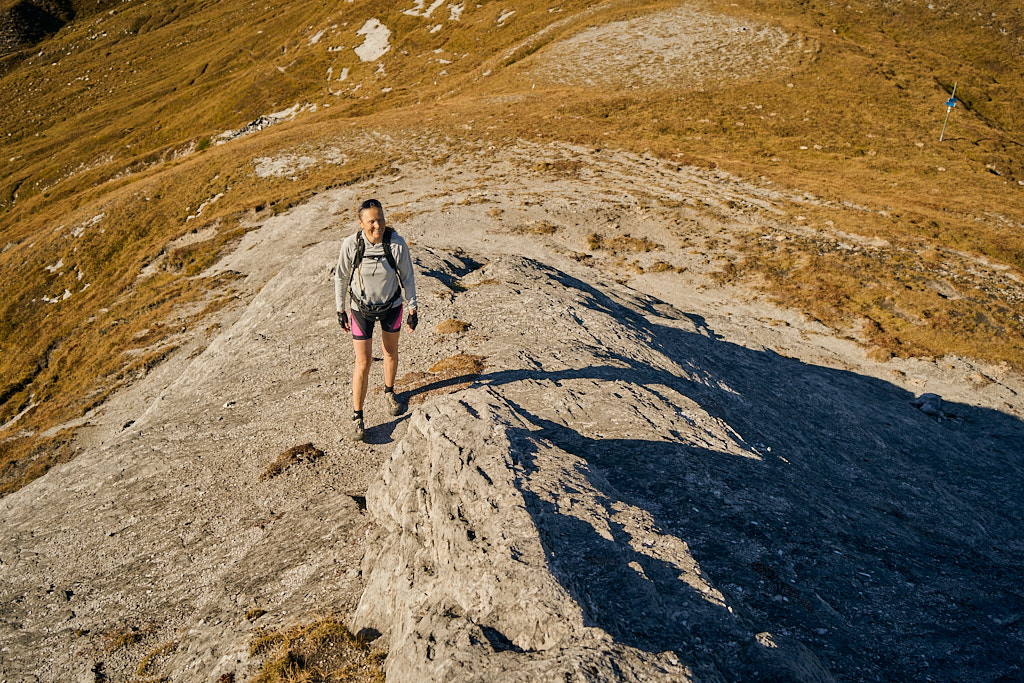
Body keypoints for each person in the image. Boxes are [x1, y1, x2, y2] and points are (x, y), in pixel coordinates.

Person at [335, 198, 418, 442]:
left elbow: (408, 276)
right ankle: (357, 417)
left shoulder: (396, 244)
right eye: (371, 221)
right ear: (361, 223)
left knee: (390, 351)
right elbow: (341, 277)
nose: (377, 225)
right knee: (363, 362)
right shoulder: (351, 244)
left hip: (392, 306)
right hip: (360, 310)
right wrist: (340, 309)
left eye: (380, 219)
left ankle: (389, 392)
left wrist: (412, 309)